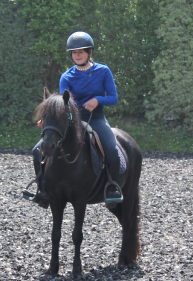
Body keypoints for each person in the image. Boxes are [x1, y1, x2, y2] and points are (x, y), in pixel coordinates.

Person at [25, 31, 123, 207]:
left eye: (81, 52)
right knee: (36, 150)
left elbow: (113, 98)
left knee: (111, 147)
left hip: (96, 118)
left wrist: (98, 100)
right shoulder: (67, 76)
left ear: (89, 52)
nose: (77, 55)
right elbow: (64, 104)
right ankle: (42, 189)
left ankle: (112, 187)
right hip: (71, 120)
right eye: (74, 52)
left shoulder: (103, 71)